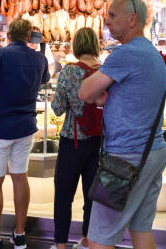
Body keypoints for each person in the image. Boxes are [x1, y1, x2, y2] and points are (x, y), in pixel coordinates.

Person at [78, 0, 166, 249]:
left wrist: (98, 94)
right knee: (140, 230)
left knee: (98, 239)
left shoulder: (125, 54)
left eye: (113, 16)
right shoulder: (151, 53)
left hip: (124, 159)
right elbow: (138, 98)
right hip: (152, 152)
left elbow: (84, 92)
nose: (107, 22)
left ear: (132, 20)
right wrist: (111, 99)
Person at [0, 18, 50, 249]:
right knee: (20, 177)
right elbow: (45, 80)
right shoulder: (40, 58)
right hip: (26, 127)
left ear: (9, 35)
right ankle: (19, 235)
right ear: (29, 37)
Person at [50, 28, 102, 249]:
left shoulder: (69, 73)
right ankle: (88, 241)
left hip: (73, 139)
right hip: (98, 140)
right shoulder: (105, 70)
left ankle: (61, 245)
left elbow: (58, 108)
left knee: (64, 194)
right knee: (91, 195)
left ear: (77, 46)